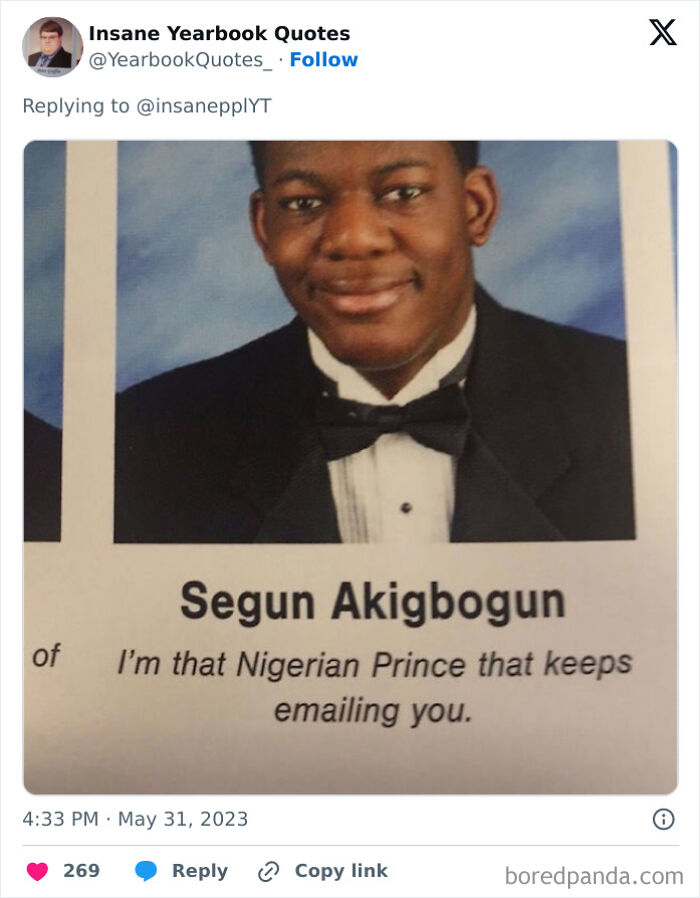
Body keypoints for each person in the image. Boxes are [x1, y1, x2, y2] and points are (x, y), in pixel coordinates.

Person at [114, 141, 634, 543]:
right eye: (303, 203)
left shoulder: (640, 406)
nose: (353, 238)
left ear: (475, 207)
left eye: (403, 193)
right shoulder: (142, 442)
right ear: (264, 226)